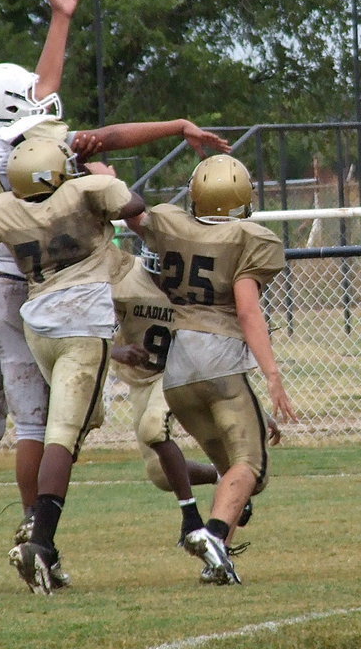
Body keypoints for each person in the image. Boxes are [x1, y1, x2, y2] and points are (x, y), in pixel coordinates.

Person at [0, 0, 232, 583]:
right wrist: (175, 125)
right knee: (41, 425)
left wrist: (62, 17)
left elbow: (44, 90)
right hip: (31, 291)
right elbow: (99, 134)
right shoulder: (33, 143)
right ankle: (36, 545)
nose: (43, 96)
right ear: (19, 104)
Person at [0, 138, 146, 594]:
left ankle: (40, 537)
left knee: (67, 429)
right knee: (64, 436)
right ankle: (39, 540)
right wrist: (99, 176)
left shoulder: (1, 211)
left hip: (40, 322)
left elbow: (1, 217)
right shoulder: (86, 191)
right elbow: (134, 203)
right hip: (82, 320)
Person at [127, 154, 298, 586]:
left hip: (178, 368)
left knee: (237, 479)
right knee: (250, 464)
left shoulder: (170, 223)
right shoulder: (249, 237)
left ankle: (215, 561)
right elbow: (246, 308)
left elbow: (133, 214)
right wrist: (273, 375)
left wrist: (97, 174)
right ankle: (214, 535)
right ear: (243, 196)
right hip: (218, 355)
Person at [110, 244, 281, 547]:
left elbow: (219, 349)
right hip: (142, 379)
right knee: (159, 475)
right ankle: (220, 477)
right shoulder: (123, 280)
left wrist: (252, 404)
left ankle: (193, 521)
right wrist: (117, 350)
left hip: (182, 373)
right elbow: (88, 334)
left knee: (153, 425)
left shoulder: (196, 290)